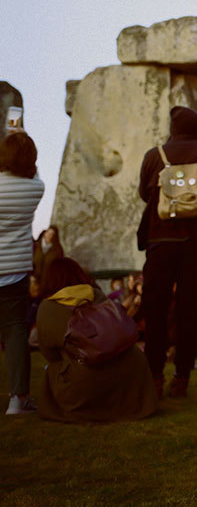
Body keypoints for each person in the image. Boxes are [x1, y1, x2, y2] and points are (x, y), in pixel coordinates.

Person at [137, 106, 197, 398]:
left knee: (155, 309)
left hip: (160, 240)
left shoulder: (156, 155)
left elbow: (145, 193)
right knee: (188, 310)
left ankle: (154, 374)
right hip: (196, 243)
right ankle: (181, 376)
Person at [35, 257, 157, 423]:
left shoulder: (48, 308)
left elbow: (50, 354)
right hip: (132, 374)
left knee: (53, 369)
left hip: (86, 379)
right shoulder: (97, 295)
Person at [0, 130, 45, 415]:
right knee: (16, 331)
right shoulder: (35, 188)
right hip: (15, 270)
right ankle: (19, 399)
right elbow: (34, 173)